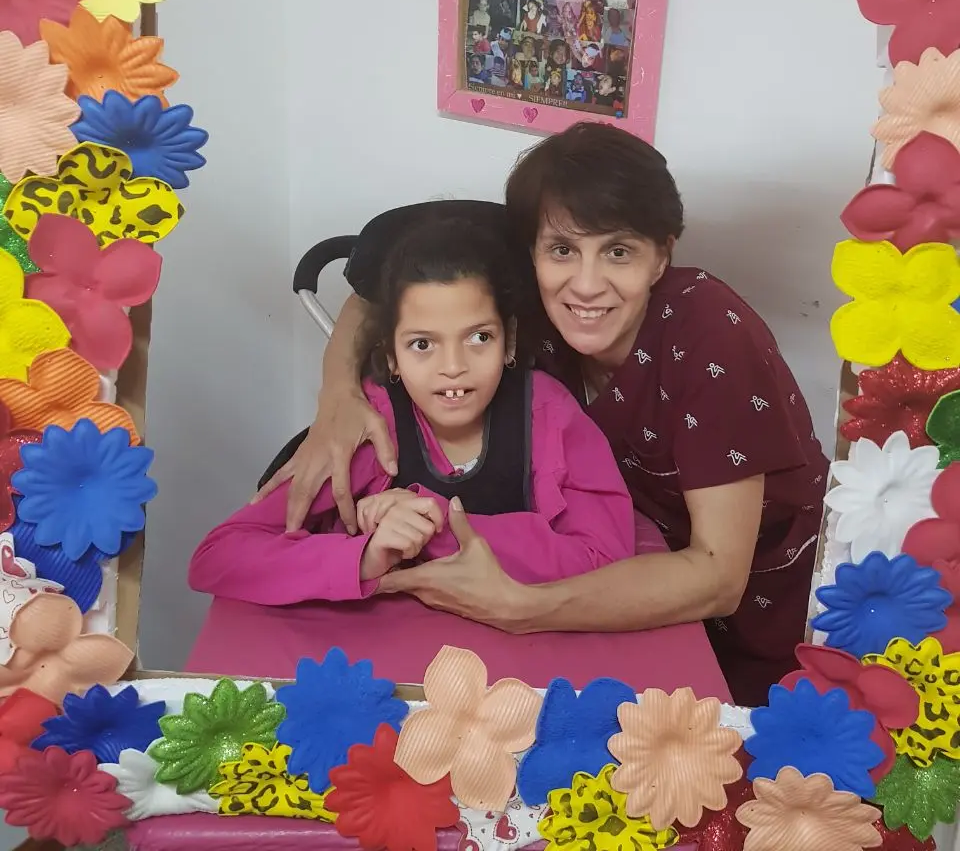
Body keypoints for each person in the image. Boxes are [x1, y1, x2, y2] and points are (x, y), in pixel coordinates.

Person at [257, 123, 828, 706]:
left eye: (619, 251)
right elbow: (381, 283)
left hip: (765, 612)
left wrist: (520, 607)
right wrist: (338, 394)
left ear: (661, 257)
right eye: (562, 250)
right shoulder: (532, 303)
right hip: (628, 572)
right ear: (531, 251)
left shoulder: (710, 336)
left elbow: (718, 576)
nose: (587, 284)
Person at [194, 217, 639, 609]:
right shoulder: (371, 426)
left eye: (479, 337)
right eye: (422, 344)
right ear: (391, 356)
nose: (453, 366)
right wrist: (365, 556)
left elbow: (607, 560)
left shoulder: (549, 414)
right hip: (387, 654)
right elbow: (219, 556)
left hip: (522, 653)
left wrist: (435, 525)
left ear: (510, 340)